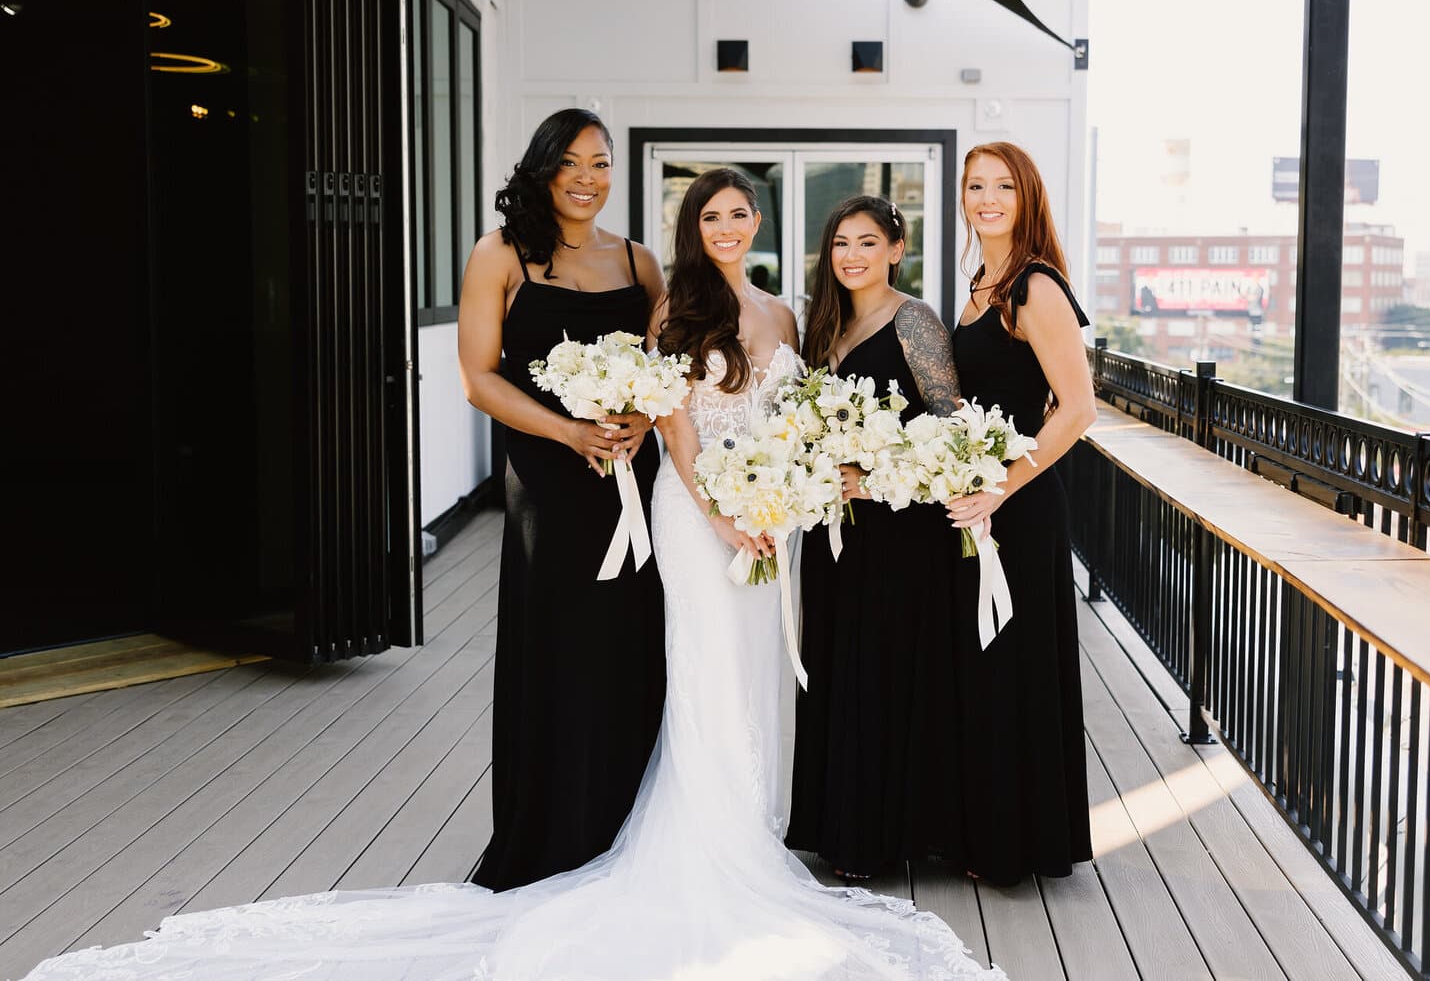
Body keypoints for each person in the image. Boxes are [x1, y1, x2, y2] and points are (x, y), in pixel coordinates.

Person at [22, 169, 1002, 980]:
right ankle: (712, 830)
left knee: (761, 666)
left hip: (770, 519)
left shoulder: (784, 308)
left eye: (740, 212)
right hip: (702, 514)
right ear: (691, 226)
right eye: (711, 213)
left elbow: (791, 421)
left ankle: (765, 813)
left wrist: (778, 505)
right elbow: (673, 425)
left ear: (759, 223)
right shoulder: (676, 302)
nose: (728, 226)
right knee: (704, 662)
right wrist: (721, 515)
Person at [459, 107, 667, 890]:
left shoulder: (640, 263)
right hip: (548, 480)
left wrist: (639, 419)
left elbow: (668, 363)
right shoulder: (501, 253)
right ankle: (550, 830)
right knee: (556, 643)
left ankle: (624, 821)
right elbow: (479, 377)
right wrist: (567, 433)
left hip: (630, 477)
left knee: (629, 640)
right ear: (544, 169)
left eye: (602, 163)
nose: (588, 178)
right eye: (572, 163)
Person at [787, 195, 964, 880]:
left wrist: (879, 472)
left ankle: (883, 838)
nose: (852, 255)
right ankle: (834, 826)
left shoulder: (914, 320)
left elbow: (950, 424)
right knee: (834, 667)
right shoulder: (823, 323)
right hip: (834, 529)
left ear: (897, 248)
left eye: (867, 242)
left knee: (883, 674)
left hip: (898, 532)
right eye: (840, 243)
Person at [945, 141, 1097, 887]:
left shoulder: (1036, 287)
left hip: (1022, 504)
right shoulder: (978, 283)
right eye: (976, 186)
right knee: (986, 664)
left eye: (1003, 185)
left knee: (1017, 661)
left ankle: (1021, 845)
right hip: (980, 500)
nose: (988, 198)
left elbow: (1078, 409)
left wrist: (1002, 487)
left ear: (1027, 195)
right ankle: (989, 831)